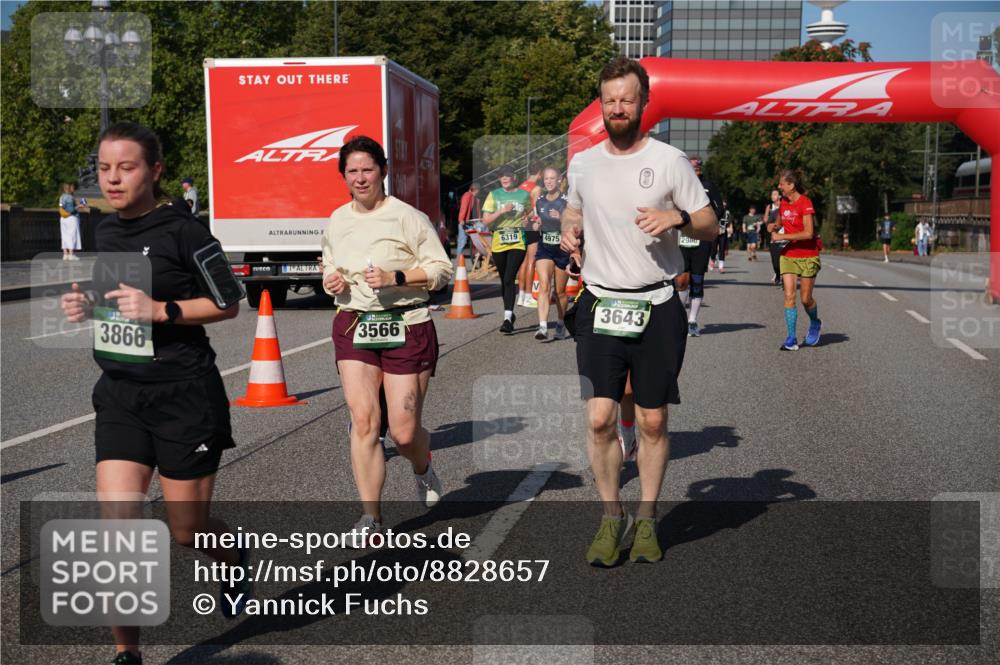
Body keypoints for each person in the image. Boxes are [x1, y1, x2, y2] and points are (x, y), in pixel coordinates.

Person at [60, 122, 249, 665]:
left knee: (186, 530)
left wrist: (163, 311)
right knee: (116, 528)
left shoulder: (185, 231)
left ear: (155, 171)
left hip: (184, 396)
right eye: (103, 168)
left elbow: (229, 300)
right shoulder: (106, 232)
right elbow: (120, 304)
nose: (113, 179)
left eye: (127, 167)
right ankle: (128, 652)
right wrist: (88, 309)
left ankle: (231, 553)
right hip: (120, 393)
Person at [560, 57, 717, 567]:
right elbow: (575, 203)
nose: (618, 108)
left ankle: (646, 518)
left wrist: (676, 216)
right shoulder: (583, 162)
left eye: (627, 99)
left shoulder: (671, 161)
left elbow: (711, 225)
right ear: (601, 104)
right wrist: (570, 223)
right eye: (610, 100)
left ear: (644, 103)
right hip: (600, 302)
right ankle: (612, 517)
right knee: (601, 417)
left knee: (651, 421)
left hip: (656, 303)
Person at [321, 135, 452, 541]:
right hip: (354, 324)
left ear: (383, 171)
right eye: (352, 171)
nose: (360, 178)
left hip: (406, 323)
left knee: (404, 432)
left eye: (367, 169)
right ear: (343, 176)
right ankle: (370, 517)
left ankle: (421, 464)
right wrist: (332, 281)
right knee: (364, 422)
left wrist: (398, 277)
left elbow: (441, 271)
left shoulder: (408, 217)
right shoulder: (337, 220)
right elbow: (329, 264)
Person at [773, 169, 821, 350]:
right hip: (789, 254)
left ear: (791, 185)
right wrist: (775, 226)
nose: (779, 186)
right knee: (788, 295)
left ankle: (815, 322)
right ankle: (791, 339)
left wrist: (782, 237)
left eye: (782, 184)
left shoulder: (805, 203)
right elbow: (780, 220)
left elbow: (809, 233)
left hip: (808, 255)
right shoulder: (783, 202)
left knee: (806, 299)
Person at [675, 156, 721, 337]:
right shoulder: (678, 185)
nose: (697, 167)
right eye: (693, 165)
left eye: (699, 165)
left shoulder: (709, 186)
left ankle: (692, 320)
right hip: (682, 237)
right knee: (681, 281)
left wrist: (706, 223)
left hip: (701, 239)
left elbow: (719, 210)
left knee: (697, 280)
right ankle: (679, 320)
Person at [482, 165, 531, 333]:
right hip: (499, 241)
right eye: (501, 176)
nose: (504, 179)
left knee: (510, 277)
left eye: (507, 176)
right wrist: (502, 211)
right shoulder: (494, 195)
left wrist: (528, 220)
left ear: (514, 178)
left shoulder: (524, 195)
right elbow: (486, 221)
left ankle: (507, 318)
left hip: (518, 241)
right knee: (505, 280)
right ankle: (509, 312)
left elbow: (530, 214)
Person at [533, 166, 571, 341]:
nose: (548, 181)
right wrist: (536, 225)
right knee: (544, 286)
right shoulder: (539, 201)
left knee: (560, 293)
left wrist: (561, 218)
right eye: (546, 178)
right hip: (545, 248)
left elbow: (576, 225)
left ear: (559, 180)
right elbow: (537, 221)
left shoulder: (567, 201)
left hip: (562, 249)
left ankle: (561, 324)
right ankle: (542, 327)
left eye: (552, 178)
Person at [517, 161, 545, 307]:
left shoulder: (521, 186)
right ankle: (528, 296)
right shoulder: (537, 188)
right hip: (531, 224)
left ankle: (521, 296)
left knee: (523, 260)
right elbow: (534, 209)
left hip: (520, 224)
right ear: (539, 173)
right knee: (531, 260)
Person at [456, 182, 482, 264]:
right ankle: (459, 262)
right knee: (462, 242)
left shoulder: (475, 198)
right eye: (478, 191)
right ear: (476, 190)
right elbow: (463, 208)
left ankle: (478, 259)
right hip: (465, 223)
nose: (479, 193)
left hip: (471, 223)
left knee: (476, 240)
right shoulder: (467, 195)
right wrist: (461, 220)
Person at [58, 182, 83, 261]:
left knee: (64, 236)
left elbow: (61, 207)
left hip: (63, 218)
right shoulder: (70, 197)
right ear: (68, 188)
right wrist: (79, 206)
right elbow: (71, 210)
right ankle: (71, 254)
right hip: (71, 218)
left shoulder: (61, 197)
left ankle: (65, 254)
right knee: (72, 235)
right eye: (71, 187)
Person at [764, 189, 783, 285]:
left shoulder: (784, 205)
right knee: (775, 258)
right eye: (772, 194)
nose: (772, 196)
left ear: (779, 196)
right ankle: (778, 272)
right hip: (772, 231)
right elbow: (766, 220)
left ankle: (783, 275)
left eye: (775, 194)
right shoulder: (770, 207)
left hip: (784, 236)